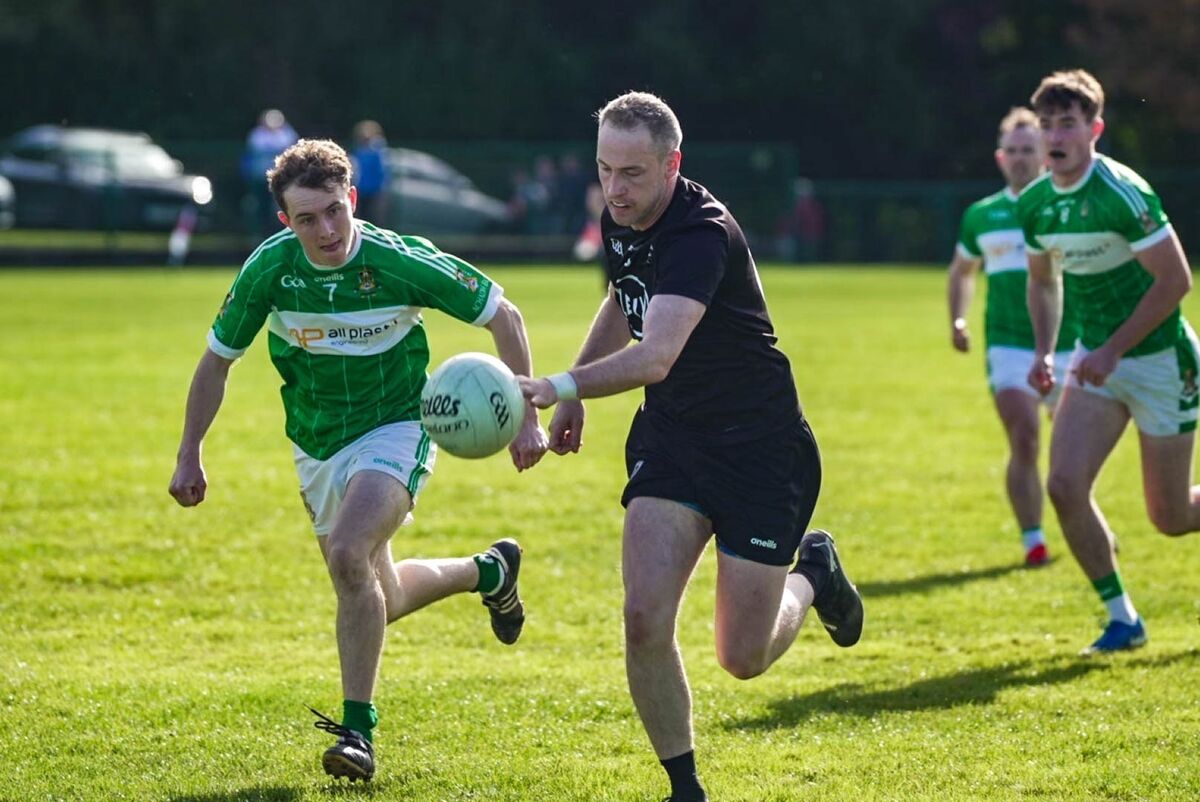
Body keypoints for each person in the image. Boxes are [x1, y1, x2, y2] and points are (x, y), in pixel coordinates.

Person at [518, 92, 864, 802]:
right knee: (643, 618)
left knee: (742, 657)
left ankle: (813, 575)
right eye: (604, 169)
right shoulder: (623, 218)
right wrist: (580, 388)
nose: (615, 189)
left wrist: (557, 385)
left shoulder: (700, 233)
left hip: (759, 449)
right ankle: (685, 788)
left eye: (632, 173)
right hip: (674, 441)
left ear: (672, 165)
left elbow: (656, 355)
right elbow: (623, 297)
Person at [169, 139, 548, 781]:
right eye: (306, 219)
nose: (325, 230)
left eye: (334, 211)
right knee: (380, 594)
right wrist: (189, 454)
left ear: (352, 198)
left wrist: (526, 417)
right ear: (285, 220)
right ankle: (489, 572)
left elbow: (502, 315)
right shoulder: (270, 270)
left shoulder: (398, 261)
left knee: (349, 554)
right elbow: (216, 362)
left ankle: (357, 734)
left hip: (397, 426)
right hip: (316, 440)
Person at [1018, 69, 1200, 655]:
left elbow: (1176, 281)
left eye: (1068, 124)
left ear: (1094, 129)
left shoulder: (1122, 192)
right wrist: (1045, 350)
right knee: (1064, 485)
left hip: (1161, 362)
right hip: (1094, 360)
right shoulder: (1036, 204)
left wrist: (1113, 349)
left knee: (1171, 516)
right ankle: (1123, 619)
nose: (1055, 136)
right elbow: (1042, 282)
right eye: (1047, 124)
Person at [947, 107, 1080, 567]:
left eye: (1029, 149)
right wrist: (957, 320)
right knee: (1025, 436)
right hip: (1007, 345)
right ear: (1001, 158)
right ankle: (1033, 539)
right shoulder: (982, 215)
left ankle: (1086, 524)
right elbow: (962, 271)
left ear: (1045, 154)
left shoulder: (1064, 207)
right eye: (1013, 150)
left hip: (1070, 343)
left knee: (1072, 453)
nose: (1021, 158)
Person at [241, 109, 299, 237]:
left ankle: (283, 232)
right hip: (260, 179)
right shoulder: (257, 135)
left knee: (282, 205)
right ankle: (261, 233)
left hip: (283, 178)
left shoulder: (287, 133)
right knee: (262, 206)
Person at [350, 120, 390, 226]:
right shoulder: (358, 151)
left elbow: (382, 173)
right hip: (361, 191)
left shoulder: (378, 152)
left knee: (375, 219)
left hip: (375, 192)